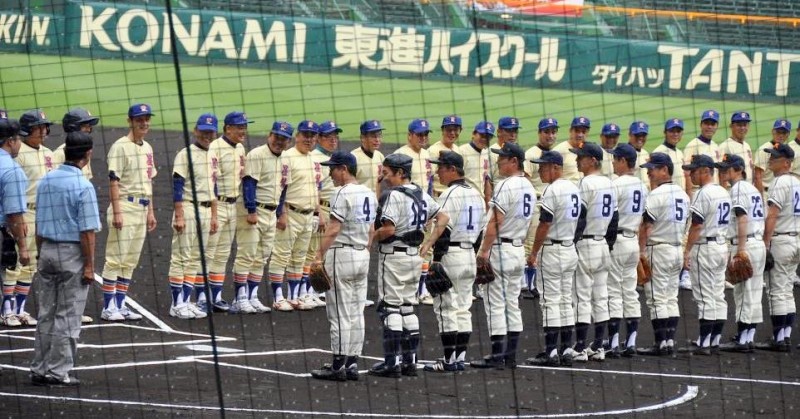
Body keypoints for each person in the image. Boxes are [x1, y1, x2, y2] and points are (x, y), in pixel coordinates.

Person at [29, 131, 100, 387]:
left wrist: (41, 253)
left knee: (46, 312)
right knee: (68, 316)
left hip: (47, 249)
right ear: (87, 154)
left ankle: (39, 368)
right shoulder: (83, 185)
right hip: (71, 255)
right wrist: (90, 265)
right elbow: (87, 232)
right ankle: (58, 372)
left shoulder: (46, 180)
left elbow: (38, 224)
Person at [369, 153, 446, 378]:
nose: (384, 175)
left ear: (400, 173)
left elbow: (389, 230)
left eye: (388, 171)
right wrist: (429, 241)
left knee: (390, 308)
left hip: (393, 257)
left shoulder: (393, 195)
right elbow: (443, 218)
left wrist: (371, 236)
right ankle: (410, 361)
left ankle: (392, 363)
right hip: (414, 257)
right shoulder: (421, 193)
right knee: (407, 308)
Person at [310, 151, 377, 381]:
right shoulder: (369, 192)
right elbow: (370, 230)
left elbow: (334, 229)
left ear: (344, 169)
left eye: (333, 168)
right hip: (362, 255)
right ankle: (352, 364)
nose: (330, 173)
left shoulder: (340, 192)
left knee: (339, 313)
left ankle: (337, 366)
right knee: (356, 312)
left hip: (342, 255)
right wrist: (364, 252)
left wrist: (318, 256)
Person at [471, 142, 535, 369]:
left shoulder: (507, 186)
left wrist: (483, 252)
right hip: (517, 249)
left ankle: (497, 355)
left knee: (495, 302)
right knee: (512, 303)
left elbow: (495, 221)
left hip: (499, 249)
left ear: (514, 161)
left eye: (503, 158)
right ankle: (510, 356)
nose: (498, 161)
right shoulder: (528, 186)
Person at [420, 151, 484, 372]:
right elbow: (481, 234)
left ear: (452, 170)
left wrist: (436, 260)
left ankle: (448, 360)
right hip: (469, 255)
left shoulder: (449, 194)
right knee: (463, 307)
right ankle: (459, 358)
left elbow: (443, 230)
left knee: (446, 307)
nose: (438, 172)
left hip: (451, 255)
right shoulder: (477, 195)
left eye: (442, 167)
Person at [100, 103, 157, 322]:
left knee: (130, 260)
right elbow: (113, 181)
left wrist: (150, 212)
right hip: (124, 205)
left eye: (146, 119)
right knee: (115, 258)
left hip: (142, 209)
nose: (144, 123)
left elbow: (148, 182)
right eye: (139, 119)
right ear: (130, 121)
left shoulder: (148, 148)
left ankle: (121, 304)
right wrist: (116, 212)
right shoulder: (120, 146)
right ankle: (108, 307)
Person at [526, 150, 580, 367]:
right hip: (569, 249)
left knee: (550, 301)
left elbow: (545, 224)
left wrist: (533, 252)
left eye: (543, 166)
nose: (539, 170)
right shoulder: (573, 188)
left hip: (553, 251)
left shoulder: (552, 190)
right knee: (566, 299)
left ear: (556, 167)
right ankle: (567, 348)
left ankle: (550, 352)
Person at [233, 121, 293, 313]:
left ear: (288, 141)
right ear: (270, 135)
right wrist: (251, 211)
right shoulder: (257, 154)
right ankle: (239, 298)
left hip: (271, 213)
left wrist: (280, 213)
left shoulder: (285, 160)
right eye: (276, 137)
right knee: (246, 254)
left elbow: (283, 189)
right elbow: (249, 184)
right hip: (254, 211)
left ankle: (252, 296)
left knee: (262, 256)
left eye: (283, 139)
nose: (279, 141)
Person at [3, 109, 54, 327]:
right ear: (27, 130)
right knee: (14, 263)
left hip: (42, 214)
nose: (43, 131)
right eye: (38, 127)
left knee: (30, 264)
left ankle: (20, 309)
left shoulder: (49, 153)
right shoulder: (18, 153)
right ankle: (7, 310)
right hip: (23, 213)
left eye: (45, 127)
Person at [166, 114, 219, 319]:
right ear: (196, 131)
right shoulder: (185, 154)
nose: (207, 135)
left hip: (207, 211)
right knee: (181, 257)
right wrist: (178, 215)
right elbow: (177, 185)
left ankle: (186, 301)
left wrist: (214, 215)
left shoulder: (213, 154)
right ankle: (176, 303)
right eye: (204, 131)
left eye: (210, 132)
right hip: (188, 209)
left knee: (196, 258)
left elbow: (213, 186)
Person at [637, 153, 689, 356]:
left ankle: (661, 343)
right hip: (676, 249)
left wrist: (640, 252)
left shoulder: (656, 195)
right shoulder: (684, 195)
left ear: (665, 170)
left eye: (653, 168)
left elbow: (647, 226)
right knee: (670, 297)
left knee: (657, 299)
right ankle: (668, 341)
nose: (649, 172)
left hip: (658, 249)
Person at [570, 143, 617, 362]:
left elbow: (580, 216)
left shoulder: (585, 183)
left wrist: (573, 241)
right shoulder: (609, 183)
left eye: (581, 157)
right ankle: (598, 347)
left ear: (593, 161)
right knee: (601, 297)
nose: (577, 160)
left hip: (586, 244)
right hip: (602, 245)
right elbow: (614, 220)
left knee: (581, 297)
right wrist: (608, 244)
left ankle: (579, 347)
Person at [269, 120, 323, 311]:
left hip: (309, 216)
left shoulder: (314, 159)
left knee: (300, 257)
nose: (309, 139)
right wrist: (281, 213)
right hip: (290, 213)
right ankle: (277, 296)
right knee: (281, 255)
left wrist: (319, 213)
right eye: (305, 135)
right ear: (297, 136)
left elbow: (317, 188)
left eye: (312, 136)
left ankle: (294, 297)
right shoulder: (287, 157)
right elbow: (280, 188)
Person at [681, 154, 731, 355]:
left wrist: (687, 251)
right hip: (721, 247)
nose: (691, 174)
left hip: (705, 248)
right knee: (718, 294)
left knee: (705, 296)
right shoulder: (723, 191)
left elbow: (697, 225)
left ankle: (703, 342)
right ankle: (714, 340)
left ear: (704, 171)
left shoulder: (703, 193)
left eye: (693, 170)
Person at [201, 111, 250, 313]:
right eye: (239, 127)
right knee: (208, 252)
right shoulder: (215, 147)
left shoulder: (240, 148)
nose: (243, 131)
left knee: (222, 254)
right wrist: (213, 212)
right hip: (217, 204)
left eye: (244, 127)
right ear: (228, 128)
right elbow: (209, 181)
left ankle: (216, 296)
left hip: (232, 206)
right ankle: (202, 297)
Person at [716, 154, 766, 352]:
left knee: (745, 293)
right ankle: (748, 336)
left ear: (738, 170)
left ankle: (743, 341)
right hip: (757, 243)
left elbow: (742, 218)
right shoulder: (752, 188)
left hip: (746, 243)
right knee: (752, 292)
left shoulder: (737, 189)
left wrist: (741, 250)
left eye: (727, 168)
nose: (723, 171)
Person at [606, 144, 647, 357]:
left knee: (613, 291)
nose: (613, 162)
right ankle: (630, 341)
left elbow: (609, 217)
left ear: (623, 161)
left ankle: (612, 342)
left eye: (615, 159)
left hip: (618, 241)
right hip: (633, 241)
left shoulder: (616, 184)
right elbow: (643, 220)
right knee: (629, 292)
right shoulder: (642, 185)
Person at [759, 143, 800, 352]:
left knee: (776, 290)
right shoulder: (796, 183)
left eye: (774, 157)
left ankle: (778, 339)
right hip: (796, 242)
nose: (770, 160)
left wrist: (765, 244)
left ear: (786, 162)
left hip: (782, 241)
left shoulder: (779, 183)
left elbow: (772, 215)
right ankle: (785, 336)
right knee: (786, 290)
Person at [395, 119, 436, 305]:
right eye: (419, 134)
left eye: (425, 134)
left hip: (423, 209)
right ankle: (404, 289)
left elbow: (430, 184)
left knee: (426, 250)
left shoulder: (427, 155)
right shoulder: (401, 155)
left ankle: (422, 290)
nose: (423, 137)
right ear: (409, 135)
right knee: (405, 249)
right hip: (405, 211)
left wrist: (429, 210)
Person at [302, 120, 341, 309]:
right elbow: (314, 187)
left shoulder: (328, 157)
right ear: (319, 138)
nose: (334, 140)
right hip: (321, 209)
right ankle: (305, 292)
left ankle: (311, 291)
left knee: (320, 252)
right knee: (311, 251)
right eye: (329, 137)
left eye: (336, 136)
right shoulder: (315, 157)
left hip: (329, 208)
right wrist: (319, 211)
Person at [0, 118, 30, 327]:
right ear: (11, 141)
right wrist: (23, 247)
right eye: (19, 139)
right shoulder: (11, 170)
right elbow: (13, 215)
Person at [54, 108, 99, 181]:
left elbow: (87, 179)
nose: (88, 130)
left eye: (89, 126)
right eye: (85, 126)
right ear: (73, 128)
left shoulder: (86, 151)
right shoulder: (59, 154)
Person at [683, 110, 721, 194]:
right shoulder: (692, 145)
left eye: (713, 124)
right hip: (698, 192)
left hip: (715, 192)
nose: (709, 127)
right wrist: (689, 196)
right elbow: (687, 173)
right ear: (701, 125)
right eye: (707, 123)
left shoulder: (716, 146)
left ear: (717, 126)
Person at [458, 121, 494, 205]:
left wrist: (487, 201)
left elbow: (486, 179)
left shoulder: (486, 153)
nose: (485, 139)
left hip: (480, 201)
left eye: (488, 137)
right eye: (482, 135)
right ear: (473, 134)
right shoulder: (462, 151)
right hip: (464, 200)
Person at [753, 119, 791, 195]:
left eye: (784, 133)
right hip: (765, 192)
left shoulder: (787, 150)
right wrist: (761, 198)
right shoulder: (764, 149)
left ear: (788, 134)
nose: (781, 135)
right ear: (773, 131)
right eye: (778, 132)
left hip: (779, 193)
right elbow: (757, 177)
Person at [428, 115, 462, 197]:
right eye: (449, 130)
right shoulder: (433, 150)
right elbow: (428, 179)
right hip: (438, 197)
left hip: (456, 197)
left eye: (455, 130)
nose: (452, 133)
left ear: (460, 130)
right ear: (442, 130)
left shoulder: (458, 150)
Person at [719, 112, 755, 184]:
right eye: (739, 125)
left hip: (748, 188)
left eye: (745, 125)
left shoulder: (747, 146)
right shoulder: (725, 146)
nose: (742, 128)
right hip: (732, 190)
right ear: (731, 126)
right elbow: (721, 173)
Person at [552, 116, 590, 184]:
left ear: (587, 133)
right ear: (570, 130)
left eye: (583, 132)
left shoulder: (588, 151)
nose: (580, 135)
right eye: (577, 131)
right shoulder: (558, 151)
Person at [352, 120, 385, 195]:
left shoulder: (380, 156)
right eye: (373, 136)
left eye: (379, 135)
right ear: (362, 138)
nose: (377, 140)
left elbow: (378, 183)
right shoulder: (353, 158)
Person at [652, 118, 686, 189]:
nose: (675, 134)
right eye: (672, 131)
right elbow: (653, 179)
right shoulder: (658, 152)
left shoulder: (680, 153)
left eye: (678, 131)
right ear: (665, 132)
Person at [488, 117, 520, 185]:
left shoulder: (518, 152)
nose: (513, 135)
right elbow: (487, 181)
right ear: (499, 132)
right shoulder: (490, 153)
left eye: (515, 131)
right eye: (509, 131)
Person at [628, 121, 650, 189]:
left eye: (643, 135)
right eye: (637, 135)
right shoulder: (624, 153)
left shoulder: (645, 154)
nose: (641, 138)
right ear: (630, 134)